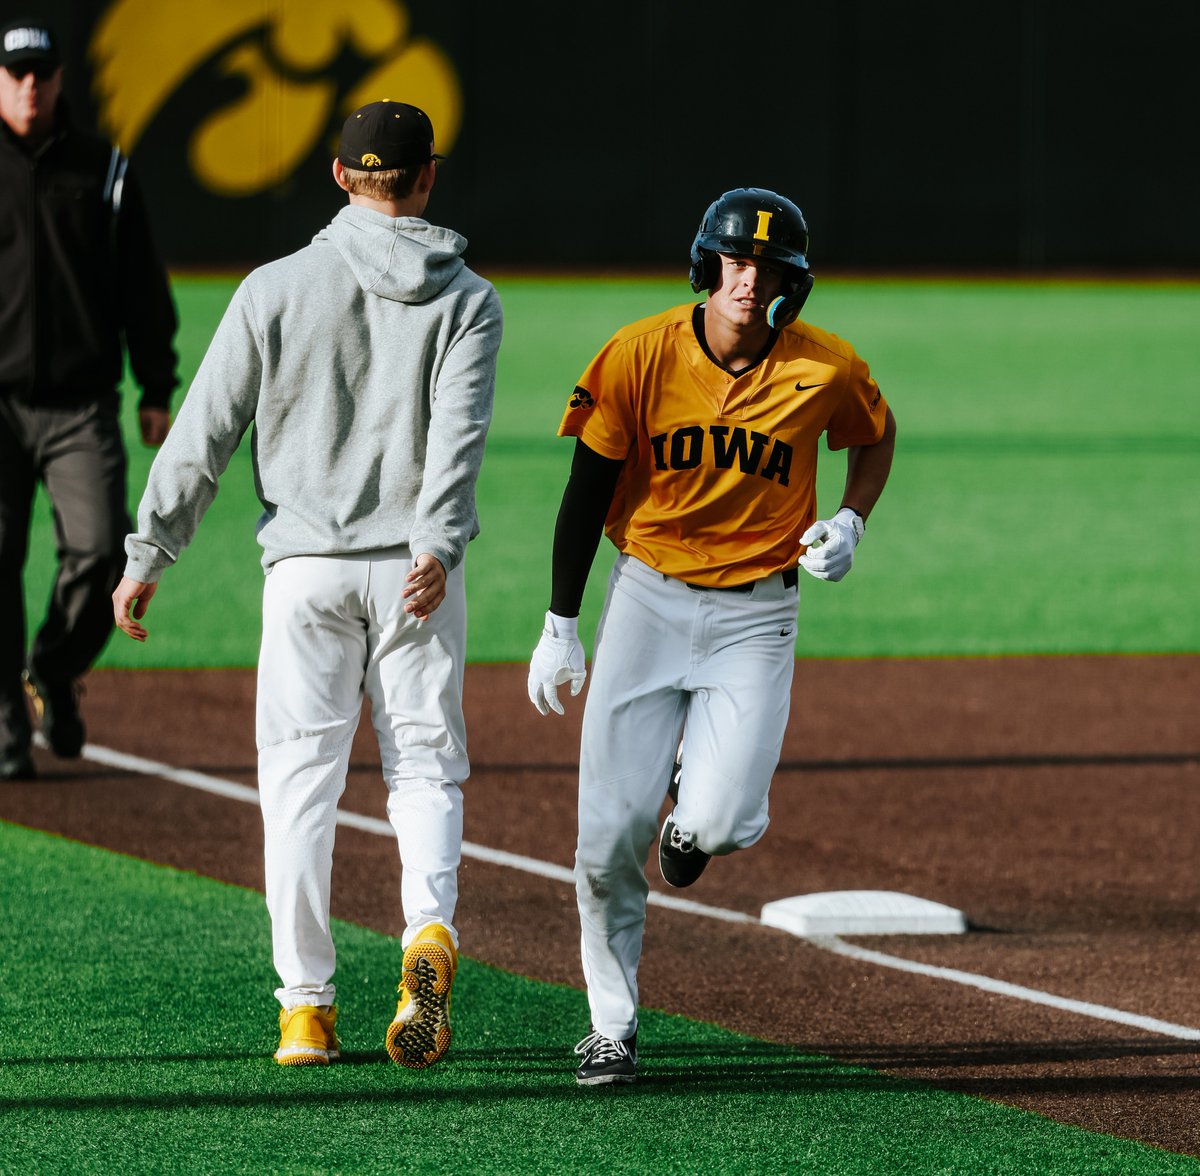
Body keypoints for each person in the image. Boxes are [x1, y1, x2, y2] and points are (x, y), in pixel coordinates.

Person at [112, 100, 502, 1068]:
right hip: (416, 570)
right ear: (429, 175)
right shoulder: (470, 300)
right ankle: (425, 931)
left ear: (338, 175)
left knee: (297, 789)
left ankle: (306, 1012)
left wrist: (147, 554)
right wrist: (437, 547)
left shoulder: (274, 287)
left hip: (307, 570)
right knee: (424, 767)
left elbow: (203, 433)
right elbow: (457, 445)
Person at [527, 188, 897, 1086]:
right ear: (706, 265)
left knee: (724, 823)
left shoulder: (825, 368)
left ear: (791, 283)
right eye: (734, 260)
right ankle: (612, 1023)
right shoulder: (639, 354)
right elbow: (586, 491)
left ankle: (696, 817)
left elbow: (876, 437)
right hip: (646, 599)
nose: (748, 278)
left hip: (758, 615)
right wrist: (560, 622)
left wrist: (850, 521)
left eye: (767, 267)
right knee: (605, 837)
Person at [0, 16, 179, 780]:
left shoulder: (102, 170)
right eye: (16, 74)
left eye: (42, 73)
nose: (29, 86)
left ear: (61, 77)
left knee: (105, 548)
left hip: (81, 404)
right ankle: (9, 718)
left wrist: (156, 381)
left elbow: (141, 283)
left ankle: (50, 664)